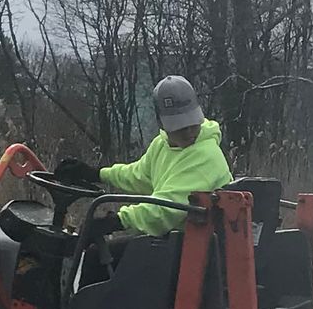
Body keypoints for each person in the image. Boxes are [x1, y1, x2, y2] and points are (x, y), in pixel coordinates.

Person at [57, 75, 232, 235]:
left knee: (95, 259)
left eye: (193, 124)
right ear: (162, 123)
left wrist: (119, 220)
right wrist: (96, 174)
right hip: (176, 240)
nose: (189, 132)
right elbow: (139, 175)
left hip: (197, 247)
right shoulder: (162, 145)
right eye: (180, 127)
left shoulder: (206, 156)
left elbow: (167, 208)